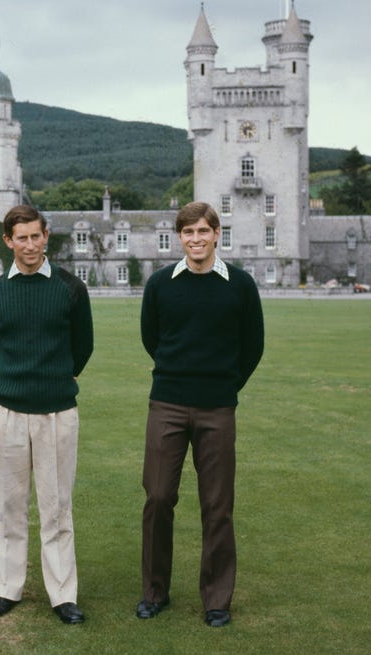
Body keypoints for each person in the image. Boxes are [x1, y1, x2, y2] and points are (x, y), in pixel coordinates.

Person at [137, 201, 264, 628]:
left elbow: (253, 346)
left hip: (217, 407)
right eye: (188, 232)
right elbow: (151, 339)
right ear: (180, 237)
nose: (196, 239)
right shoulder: (160, 285)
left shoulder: (240, 285)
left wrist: (224, 386)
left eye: (203, 232)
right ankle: (154, 592)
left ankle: (216, 599)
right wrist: (180, 376)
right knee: (157, 497)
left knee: (217, 504)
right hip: (168, 403)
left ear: (216, 234)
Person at [0, 204, 94, 625]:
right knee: (9, 506)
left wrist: (55, 378)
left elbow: (83, 347)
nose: (29, 245)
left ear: (47, 236)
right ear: (8, 241)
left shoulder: (70, 288)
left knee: (57, 506)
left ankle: (63, 594)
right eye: (20, 238)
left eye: (36, 236)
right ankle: (7, 589)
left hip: (58, 412)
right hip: (7, 409)